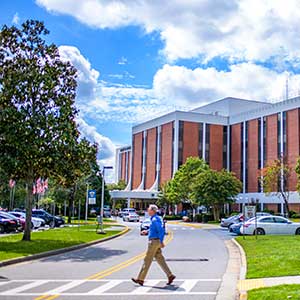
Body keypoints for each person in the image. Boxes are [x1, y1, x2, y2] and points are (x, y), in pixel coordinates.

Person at [132, 204, 176, 286]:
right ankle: (170, 275)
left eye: (148, 209)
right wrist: (147, 231)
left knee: (147, 259)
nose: (147, 210)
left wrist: (161, 241)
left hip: (154, 242)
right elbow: (155, 229)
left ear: (152, 210)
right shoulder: (155, 219)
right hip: (155, 241)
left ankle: (140, 279)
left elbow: (161, 230)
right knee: (160, 259)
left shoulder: (155, 219)